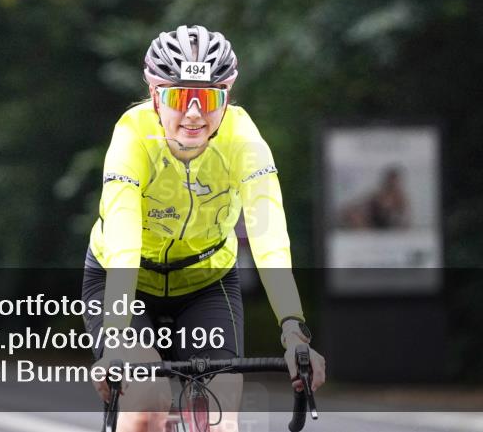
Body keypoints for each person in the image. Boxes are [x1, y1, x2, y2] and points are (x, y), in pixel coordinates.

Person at [82, 25, 326, 432]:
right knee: (147, 400)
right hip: (128, 281)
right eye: (179, 96)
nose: (194, 113)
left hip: (206, 283)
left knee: (218, 418)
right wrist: (115, 340)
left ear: (226, 98)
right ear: (156, 97)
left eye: (209, 98)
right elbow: (123, 241)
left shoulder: (244, 142)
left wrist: (293, 330)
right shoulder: (131, 136)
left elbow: (269, 237)